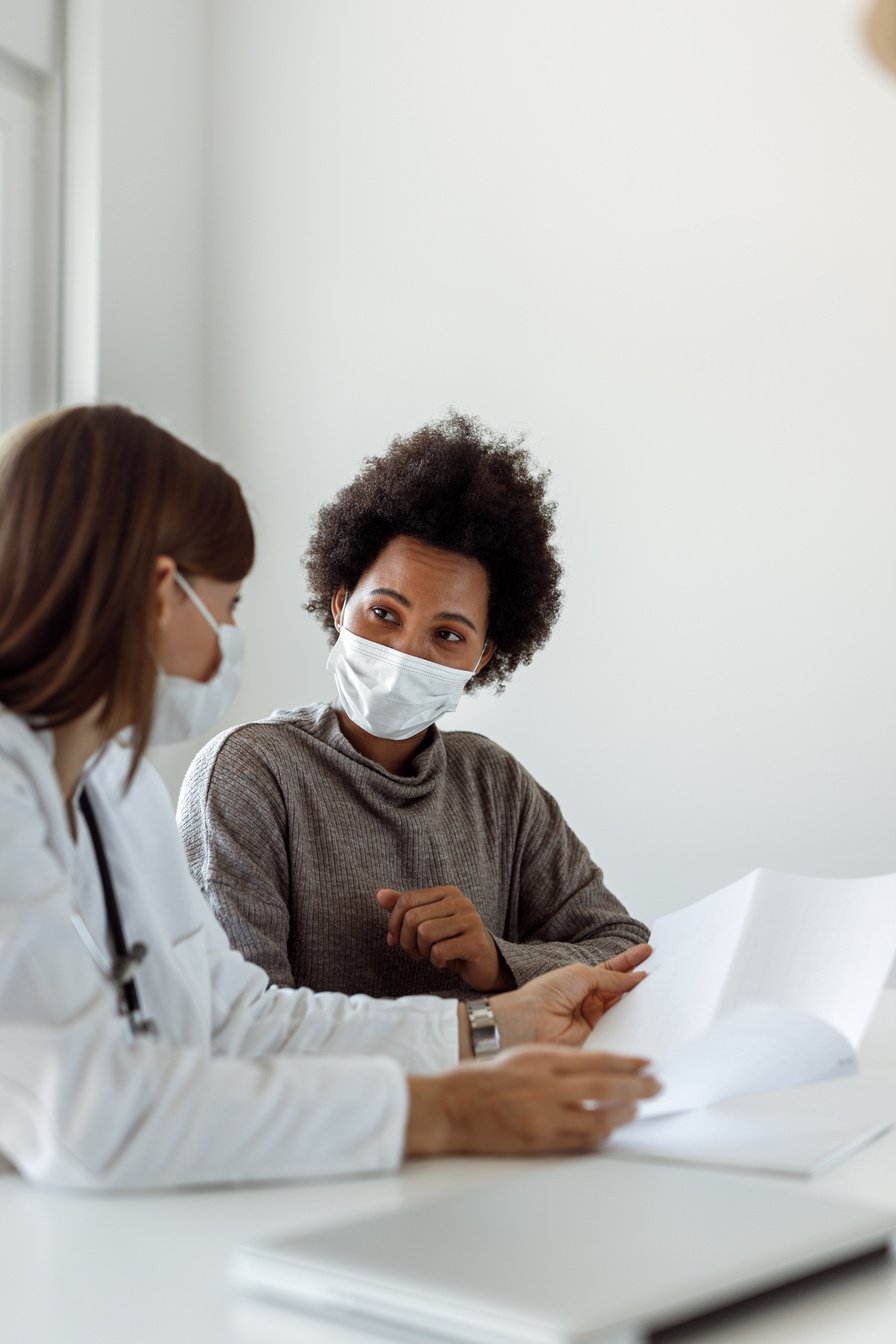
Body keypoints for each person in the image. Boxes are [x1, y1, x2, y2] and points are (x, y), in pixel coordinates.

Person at [0, 404, 658, 1192]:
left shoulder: (119, 783)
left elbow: (236, 1021)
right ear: (160, 596)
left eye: (447, 635)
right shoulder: (235, 775)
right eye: (231, 606)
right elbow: (93, 1117)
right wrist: (443, 1112)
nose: (230, 641)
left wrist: (492, 1020)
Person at [179, 413, 650, 1002]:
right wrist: (470, 1032)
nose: (404, 652)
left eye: (447, 634)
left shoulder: (494, 785)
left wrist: (496, 963)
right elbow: (242, 1024)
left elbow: (623, 946)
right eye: (384, 615)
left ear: (483, 655)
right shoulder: (251, 776)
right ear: (340, 604)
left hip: (496, 1095)